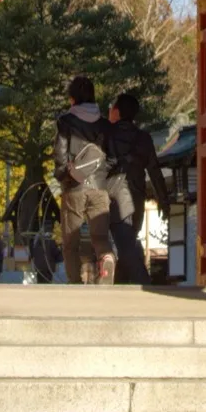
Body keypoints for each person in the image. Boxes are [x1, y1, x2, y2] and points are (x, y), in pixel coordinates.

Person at [53, 75, 115, 284]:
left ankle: (75, 283)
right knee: (100, 238)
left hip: (74, 188)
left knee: (71, 242)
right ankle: (107, 260)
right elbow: (114, 158)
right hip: (99, 189)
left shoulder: (66, 121)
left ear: (72, 98)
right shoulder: (106, 125)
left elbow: (60, 155)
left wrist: (64, 176)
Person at [104, 93, 170, 284]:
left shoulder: (107, 134)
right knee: (128, 241)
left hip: (115, 196)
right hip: (137, 197)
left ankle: (145, 286)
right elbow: (155, 172)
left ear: (116, 112)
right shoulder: (144, 138)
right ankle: (123, 291)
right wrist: (163, 202)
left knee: (126, 247)